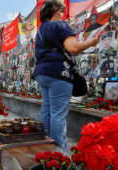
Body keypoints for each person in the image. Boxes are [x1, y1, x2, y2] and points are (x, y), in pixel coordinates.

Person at [33, 0, 99, 152]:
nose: (63, 15)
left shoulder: (40, 30)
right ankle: (60, 152)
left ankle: (46, 147)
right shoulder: (59, 25)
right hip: (58, 72)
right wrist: (92, 42)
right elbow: (73, 47)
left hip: (42, 73)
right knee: (58, 114)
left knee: (47, 110)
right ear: (56, 11)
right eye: (62, 12)